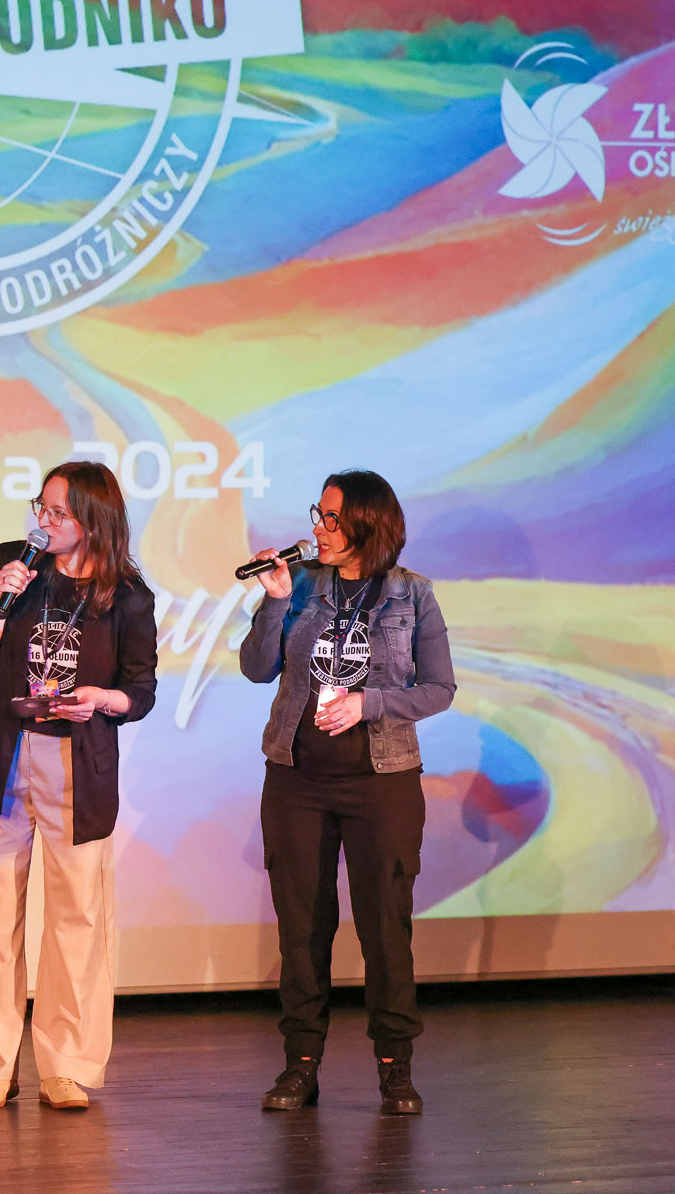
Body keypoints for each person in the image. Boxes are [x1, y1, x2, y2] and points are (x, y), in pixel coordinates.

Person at [239, 470, 456, 1115]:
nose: (319, 528)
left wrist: (369, 704)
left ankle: (395, 1068)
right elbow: (256, 667)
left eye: (331, 518)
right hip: (297, 778)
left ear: (367, 523)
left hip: (381, 781)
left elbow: (439, 688)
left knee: (385, 926)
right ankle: (300, 1065)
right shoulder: (301, 584)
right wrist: (274, 601)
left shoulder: (413, 594)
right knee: (302, 928)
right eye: (319, 514)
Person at [0, 461, 158, 1111]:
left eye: (57, 513)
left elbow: (141, 690)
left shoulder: (127, 594)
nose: (43, 521)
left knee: (76, 920)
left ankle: (64, 1064)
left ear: (92, 519)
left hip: (76, 764)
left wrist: (100, 699)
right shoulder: (14, 562)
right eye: (40, 507)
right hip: (1, 759)